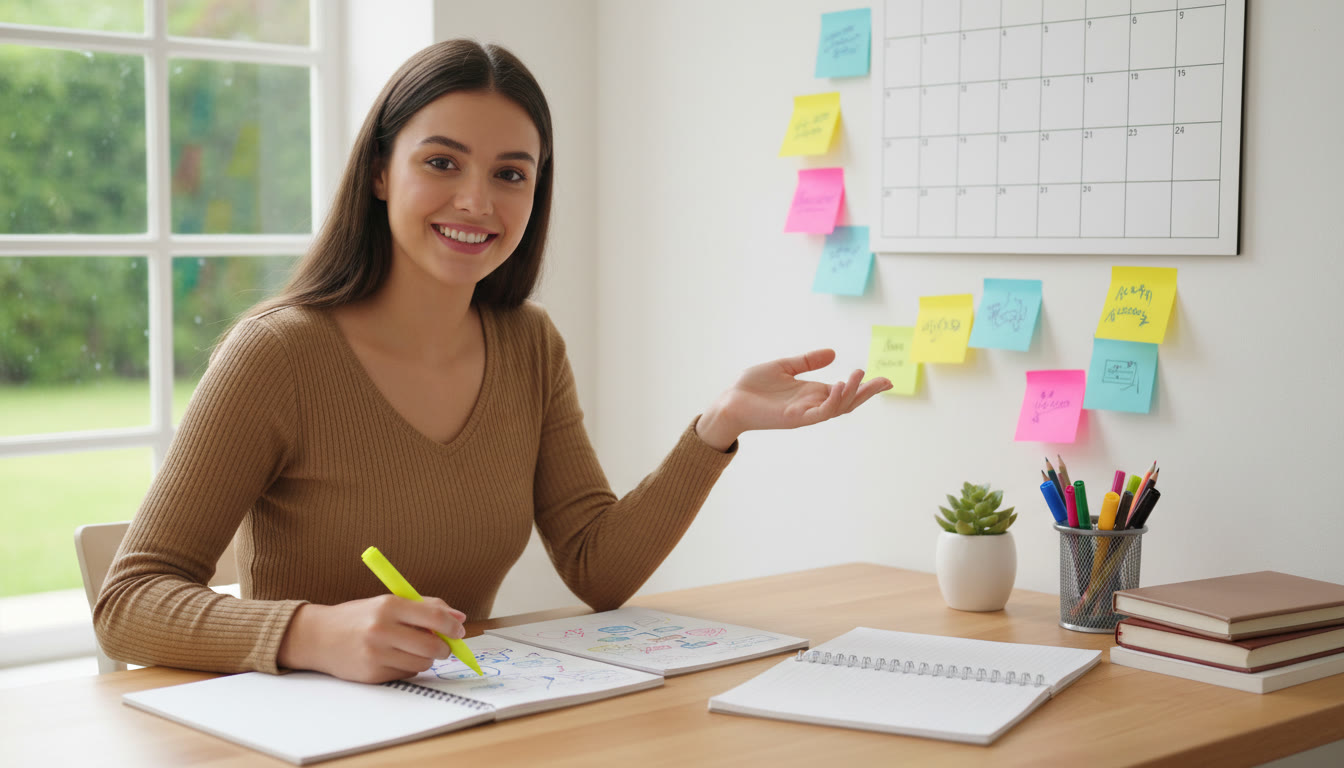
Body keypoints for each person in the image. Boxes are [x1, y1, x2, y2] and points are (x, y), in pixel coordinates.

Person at [94, 39, 891, 684]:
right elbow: (128, 600)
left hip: (459, 725)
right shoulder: (276, 356)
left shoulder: (529, 345)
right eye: (441, 162)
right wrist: (312, 632)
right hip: (303, 737)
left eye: (511, 174)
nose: (477, 201)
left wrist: (718, 428)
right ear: (379, 171)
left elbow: (596, 568)